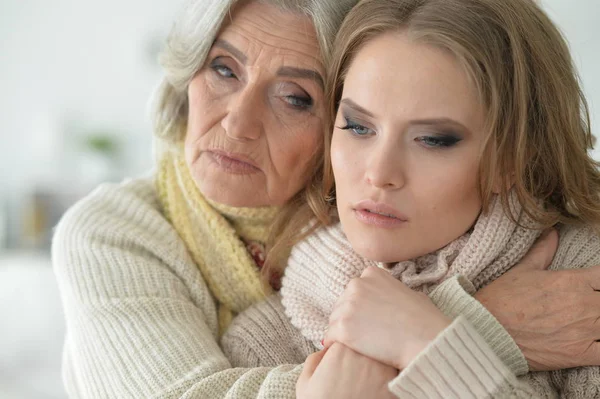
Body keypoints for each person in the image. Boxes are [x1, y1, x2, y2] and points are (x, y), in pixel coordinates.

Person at [52, 0, 600, 397]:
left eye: (294, 97)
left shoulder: (574, 269)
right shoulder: (115, 233)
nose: (238, 123)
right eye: (223, 68)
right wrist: (470, 328)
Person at [220, 0, 600, 397]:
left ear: (512, 159)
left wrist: (427, 346)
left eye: (432, 140)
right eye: (358, 127)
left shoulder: (581, 287)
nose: (380, 173)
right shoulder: (262, 341)